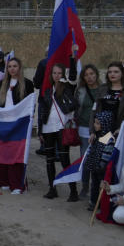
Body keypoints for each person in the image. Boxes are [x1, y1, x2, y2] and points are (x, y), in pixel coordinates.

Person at [38, 57, 79, 201]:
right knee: (49, 160)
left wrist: (72, 58)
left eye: (59, 73)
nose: (56, 75)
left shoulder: (68, 88)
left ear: (63, 74)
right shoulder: (48, 91)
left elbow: (73, 76)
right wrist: (40, 131)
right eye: (54, 73)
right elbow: (43, 111)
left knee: (64, 159)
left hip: (62, 128)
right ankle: (52, 188)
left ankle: (73, 191)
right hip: (48, 128)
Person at [0, 57, 35, 194]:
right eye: (9, 66)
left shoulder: (28, 84)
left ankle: (17, 184)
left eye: (15, 66)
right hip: (4, 123)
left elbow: (30, 105)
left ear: (20, 67)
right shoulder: (2, 84)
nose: (12, 69)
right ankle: (4, 181)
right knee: (3, 152)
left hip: (19, 124)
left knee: (16, 154)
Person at [75, 64, 101, 197]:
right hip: (84, 129)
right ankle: (85, 187)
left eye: (92, 73)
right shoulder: (81, 91)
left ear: (96, 74)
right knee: (85, 158)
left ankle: (97, 188)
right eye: (86, 75)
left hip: (102, 130)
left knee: (100, 158)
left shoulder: (104, 90)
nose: (89, 77)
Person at [96, 61, 124, 135]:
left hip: (120, 131)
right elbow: (95, 110)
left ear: (122, 74)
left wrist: (122, 128)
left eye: (116, 72)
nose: (112, 74)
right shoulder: (102, 88)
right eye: (110, 72)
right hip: (102, 130)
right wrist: (93, 131)